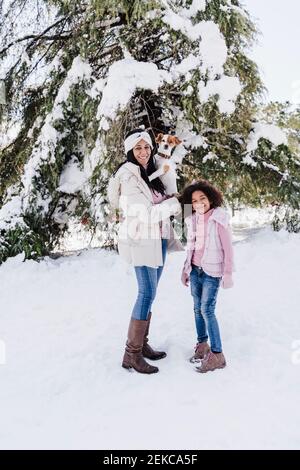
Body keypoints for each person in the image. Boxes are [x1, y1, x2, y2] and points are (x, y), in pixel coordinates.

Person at [107, 128, 183, 374]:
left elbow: (168, 197)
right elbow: (147, 213)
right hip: (141, 239)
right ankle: (132, 354)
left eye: (146, 147)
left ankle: (143, 345)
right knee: (146, 292)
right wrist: (174, 203)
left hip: (158, 238)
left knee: (151, 293)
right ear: (130, 151)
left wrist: (174, 196)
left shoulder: (151, 171)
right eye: (137, 148)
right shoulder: (129, 176)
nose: (143, 151)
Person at [181, 180, 234, 373]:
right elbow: (191, 247)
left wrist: (227, 273)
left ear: (210, 198)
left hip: (212, 272)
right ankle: (202, 345)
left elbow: (228, 249)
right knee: (197, 309)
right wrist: (185, 269)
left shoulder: (218, 218)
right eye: (194, 200)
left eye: (202, 198)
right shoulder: (193, 219)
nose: (199, 203)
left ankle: (217, 354)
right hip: (196, 270)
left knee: (207, 309)